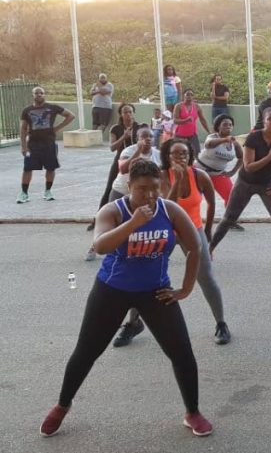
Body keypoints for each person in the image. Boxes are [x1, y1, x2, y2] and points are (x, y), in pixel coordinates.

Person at [39, 159, 212, 438]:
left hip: (155, 291)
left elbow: (195, 248)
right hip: (112, 291)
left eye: (156, 188)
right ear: (129, 186)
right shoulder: (113, 211)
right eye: (142, 188)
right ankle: (62, 405)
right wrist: (134, 222)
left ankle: (192, 412)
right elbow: (100, 245)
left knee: (181, 353)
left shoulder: (170, 211)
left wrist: (185, 289)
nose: (150, 195)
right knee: (86, 352)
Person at [113, 138, 231, 347]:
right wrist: (177, 181)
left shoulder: (200, 176)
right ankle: (132, 324)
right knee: (143, 275)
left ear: (190, 156)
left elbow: (212, 203)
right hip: (164, 229)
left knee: (206, 276)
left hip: (192, 228)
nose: (180, 158)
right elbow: (167, 207)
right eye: (175, 154)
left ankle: (221, 323)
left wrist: (208, 231)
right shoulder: (161, 176)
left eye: (184, 154)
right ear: (167, 157)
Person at [209, 107, 271, 274]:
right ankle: (208, 251)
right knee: (228, 219)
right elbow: (248, 167)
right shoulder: (254, 137)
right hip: (245, 183)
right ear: (264, 120)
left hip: (268, 185)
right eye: (270, 119)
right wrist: (269, 157)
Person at [90, 103, 145, 232]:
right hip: (121, 162)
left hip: (138, 161)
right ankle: (98, 219)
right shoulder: (116, 128)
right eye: (125, 112)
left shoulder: (140, 127)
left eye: (130, 112)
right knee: (110, 189)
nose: (128, 115)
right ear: (120, 114)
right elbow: (112, 147)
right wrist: (123, 137)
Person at [18, 86, 75, 204]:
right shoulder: (27, 110)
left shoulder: (52, 108)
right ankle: (24, 193)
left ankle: (48, 191)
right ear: (32, 95)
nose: (39, 95)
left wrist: (57, 128)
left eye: (41, 93)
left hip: (49, 143)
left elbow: (70, 116)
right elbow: (23, 129)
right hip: (33, 143)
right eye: (36, 93)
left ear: (44, 95)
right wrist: (23, 146)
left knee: (51, 167)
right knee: (27, 168)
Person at [196, 115, 243, 210]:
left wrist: (233, 171)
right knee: (194, 198)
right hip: (199, 172)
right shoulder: (212, 137)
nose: (228, 126)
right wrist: (225, 139)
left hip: (217, 173)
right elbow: (209, 144)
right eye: (225, 124)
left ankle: (228, 222)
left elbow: (241, 157)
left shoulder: (234, 143)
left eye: (230, 125)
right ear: (218, 126)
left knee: (232, 198)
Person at [172, 89, 210, 157]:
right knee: (179, 154)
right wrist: (185, 120)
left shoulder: (197, 106)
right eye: (187, 94)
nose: (189, 96)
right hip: (180, 135)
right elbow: (175, 120)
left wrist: (209, 132)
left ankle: (193, 167)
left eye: (191, 95)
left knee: (196, 153)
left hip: (192, 135)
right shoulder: (178, 106)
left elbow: (202, 120)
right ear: (184, 96)